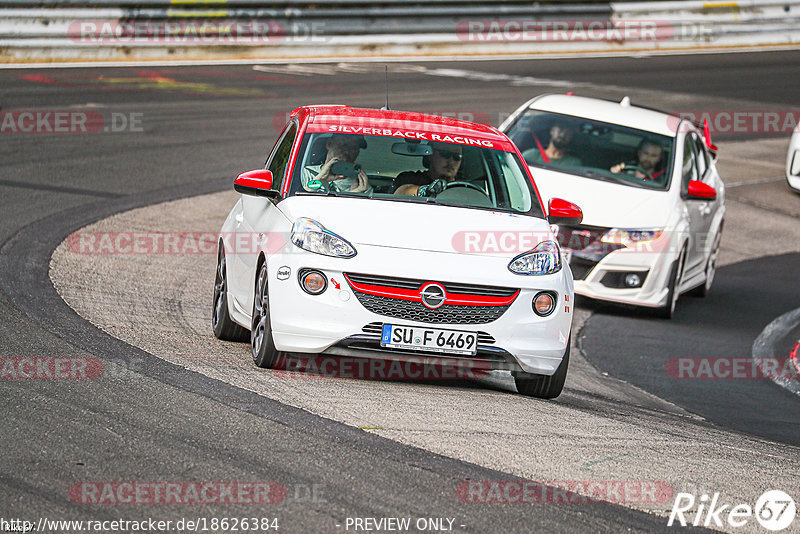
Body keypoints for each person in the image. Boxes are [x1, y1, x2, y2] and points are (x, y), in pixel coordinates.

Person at [302, 134, 371, 193]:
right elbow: (298, 200)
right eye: (344, 145)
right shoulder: (307, 174)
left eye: (353, 148)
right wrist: (320, 179)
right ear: (329, 144)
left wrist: (356, 195)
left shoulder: (361, 184)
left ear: (357, 153)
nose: (347, 152)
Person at [394, 142, 463, 197]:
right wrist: (424, 191)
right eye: (445, 154)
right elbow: (402, 191)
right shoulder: (409, 178)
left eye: (457, 157)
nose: (451, 161)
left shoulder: (464, 188)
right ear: (430, 155)